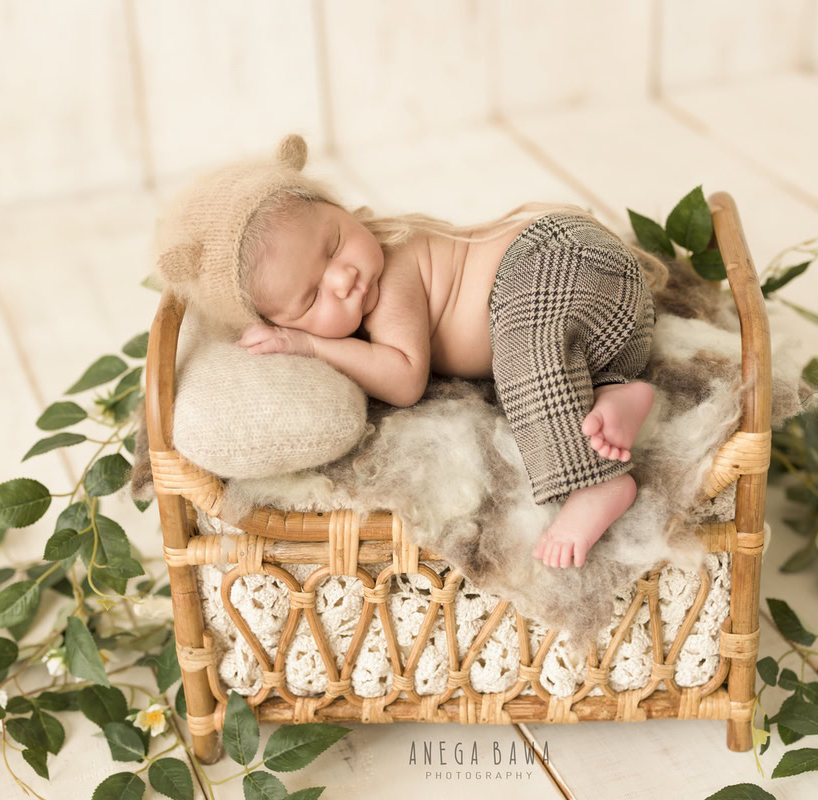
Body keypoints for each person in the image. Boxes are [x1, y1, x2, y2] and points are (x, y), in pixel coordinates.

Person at [153, 133, 667, 569]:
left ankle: (596, 483)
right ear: (271, 320)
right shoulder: (360, 285)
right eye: (311, 297)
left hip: (553, 260)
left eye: (333, 244)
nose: (343, 278)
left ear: (339, 208)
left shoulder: (394, 266)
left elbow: (403, 380)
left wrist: (310, 343)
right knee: (547, 355)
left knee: (524, 357)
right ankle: (617, 390)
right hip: (611, 328)